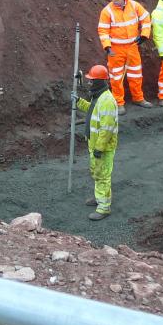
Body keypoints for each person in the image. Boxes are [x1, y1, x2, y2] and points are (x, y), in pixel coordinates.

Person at [97, 0, 153, 114]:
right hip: (116, 49)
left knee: (136, 74)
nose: (115, 0)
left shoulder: (135, 6)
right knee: (116, 77)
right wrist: (107, 47)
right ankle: (119, 103)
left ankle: (138, 98)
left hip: (133, 47)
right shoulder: (107, 11)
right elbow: (103, 31)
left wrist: (144, 35)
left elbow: (146, 19)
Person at [72, 65, 119, 221]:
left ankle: (104, 207)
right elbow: (91, 109)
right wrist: (78, 101)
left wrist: (99, 148)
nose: (89, 83)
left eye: (92, 80)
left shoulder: (107, 101)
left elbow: (107, 129)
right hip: (94, 144)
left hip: (102, 147)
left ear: (99, 81)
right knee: (97, 172)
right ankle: (99, 197)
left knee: (103, 175)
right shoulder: (98, 97)